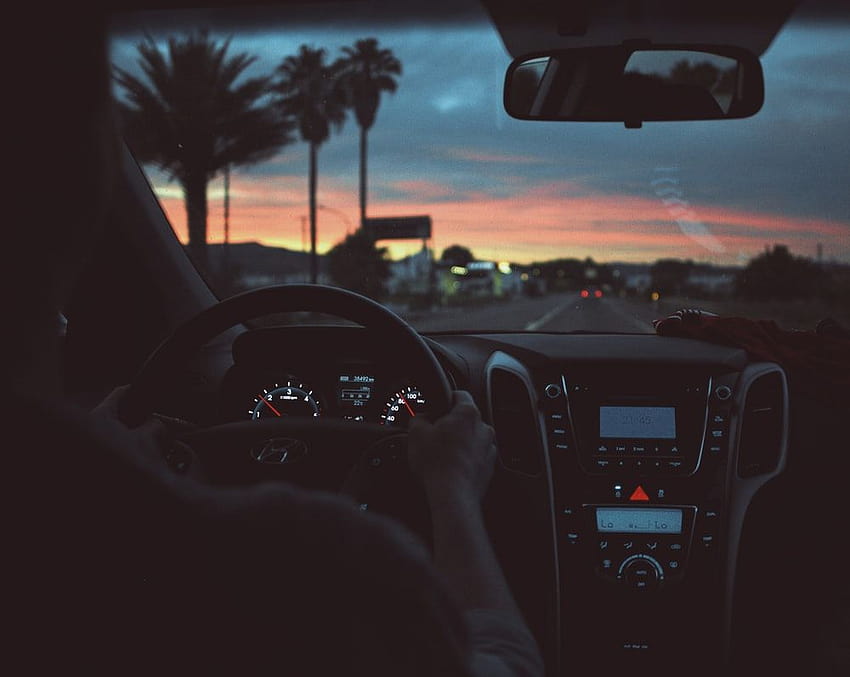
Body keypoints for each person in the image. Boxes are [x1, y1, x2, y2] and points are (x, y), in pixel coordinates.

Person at [4, 6, 542, 676]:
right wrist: (453, 487)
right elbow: (506, 661)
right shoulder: (338, 568)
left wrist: (94, 467)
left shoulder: (55, 535)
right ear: (88, 175)